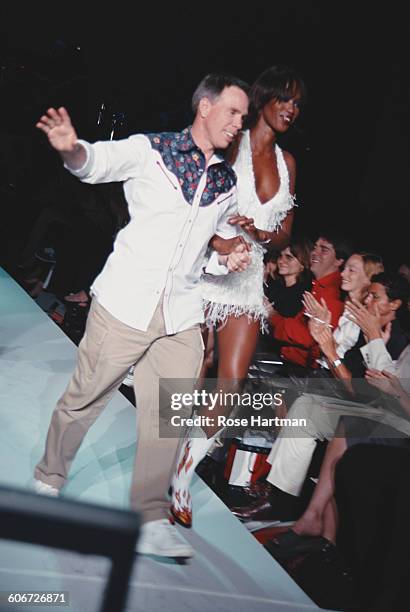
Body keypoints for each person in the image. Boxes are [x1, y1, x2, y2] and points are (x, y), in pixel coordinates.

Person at [32, 73, 251, 559]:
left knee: (165, 418)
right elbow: (94, 164)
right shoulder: (153, 150)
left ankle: (149, 516)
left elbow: (205, 249)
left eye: (243, 117)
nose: (240, 124)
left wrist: (227, 256)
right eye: (233, 113)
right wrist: (72, 150)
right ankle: (50, 478)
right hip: (126, 302)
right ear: (205, 108)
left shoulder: (226, 181)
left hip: (182, 315)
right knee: (85, 396)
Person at [171, 65, 306, 527]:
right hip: (203, 266)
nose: (292, 109)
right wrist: (221, 239)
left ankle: (182, 478)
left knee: (230, 384)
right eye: (285, 99)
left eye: (298, 104)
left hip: (245, 283)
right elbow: (198, 202)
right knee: (188, 365)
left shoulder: (288, 164)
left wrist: (264, 233)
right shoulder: (234, 144)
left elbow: (286, 234)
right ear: (265, 98)